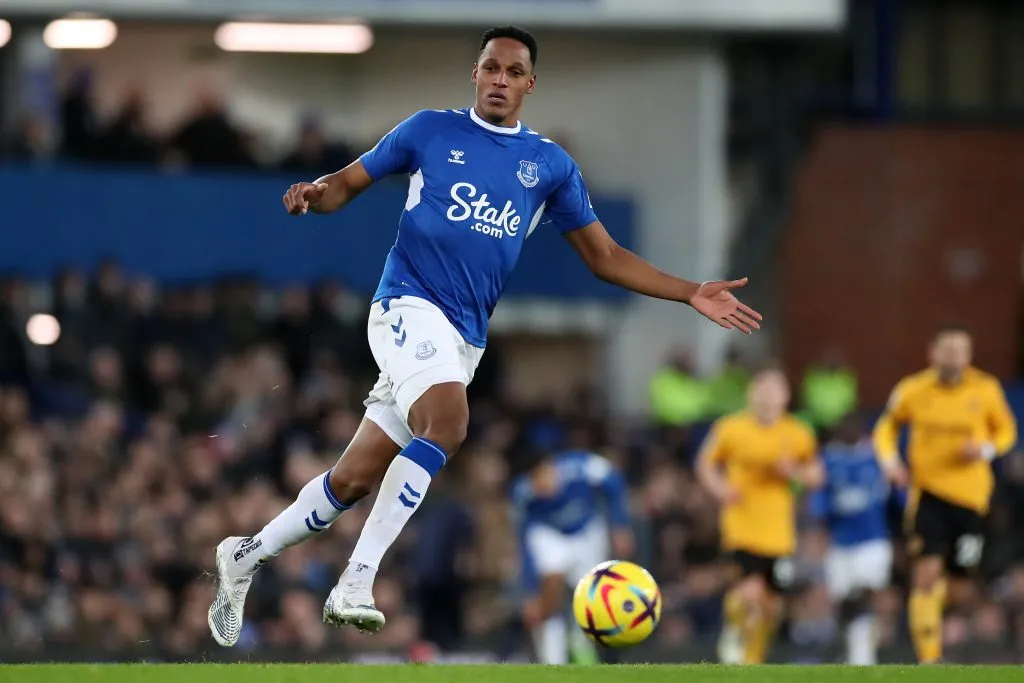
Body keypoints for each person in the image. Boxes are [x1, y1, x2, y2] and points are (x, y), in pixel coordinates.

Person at [208, 25, 762, 647]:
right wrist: (315, 194)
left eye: (513, 71)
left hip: (462, 339)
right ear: (475, 74)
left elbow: (604, 255)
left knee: (353, 480)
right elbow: (347, 183)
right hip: (405, 306)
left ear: (530, 83)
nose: (500, 80)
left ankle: (246, 555)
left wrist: (688, 290)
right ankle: (356, 580)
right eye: (490, 68)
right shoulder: (428, 130)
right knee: (447, 424)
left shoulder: (549, 166)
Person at [872, 326, 1017, 664]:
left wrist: (983, 450)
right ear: (932, 353)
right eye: (948, 349)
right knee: (925, 572)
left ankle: (950, 637)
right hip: (928, 495)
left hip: (971, 501)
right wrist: (891, 463)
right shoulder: (913, 390)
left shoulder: (986, 389)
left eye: (961, 350)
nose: (954, 356)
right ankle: (929, 658)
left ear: (969, 355)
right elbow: (886, 428)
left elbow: (1007, 431)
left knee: (961, 587)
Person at [696, 366, 822, 664]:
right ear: (751, 395)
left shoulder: (797, 432)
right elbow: (705, 463)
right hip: (741, 526)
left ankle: (752, 659)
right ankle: (733, 634)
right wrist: (721, 489)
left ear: (785, 397)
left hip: (779, 533)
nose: (766, 398)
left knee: (772, 605)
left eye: (773, 392)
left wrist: (793, 472)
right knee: (749, 592)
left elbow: (817, 475)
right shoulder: (731, 428)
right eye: (761, 391)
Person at [512, 448, 634, 664]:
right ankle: (552, 662)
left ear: (551, 467)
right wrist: (531, 590)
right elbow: (525, 540)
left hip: (587, 533)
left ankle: (586, 654)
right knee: (550, 590)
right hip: (549, 534)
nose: (541, 485)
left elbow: (614, 480)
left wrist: (619, 524)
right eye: (534, 480)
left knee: (590, 601)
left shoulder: (581, 467)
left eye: (542, 476)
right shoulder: (523, 493)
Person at [809, 412, 898, 665]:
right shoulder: (827, 460)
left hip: (872, 540)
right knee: (844, 600)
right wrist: (821, 533)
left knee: (867, 593)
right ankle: (853, 653)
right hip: (841, 543)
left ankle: (865, 655)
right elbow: (819, 502)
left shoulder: (878, 457)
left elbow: (897, 496)